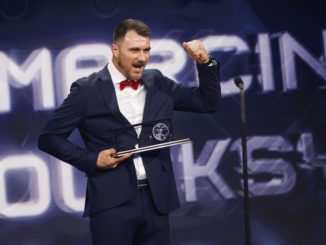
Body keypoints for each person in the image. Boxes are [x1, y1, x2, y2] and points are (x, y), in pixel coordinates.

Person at [38, 18, 220, 245]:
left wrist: (205, 62)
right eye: (134, 50)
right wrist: (92, 159)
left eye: (146, 50)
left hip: (157, 201)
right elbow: (49, 138)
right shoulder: (87, 90)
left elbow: (207, 103)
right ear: (115, 50)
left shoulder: (158, 81)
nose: (142, 58)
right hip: (112, 204)